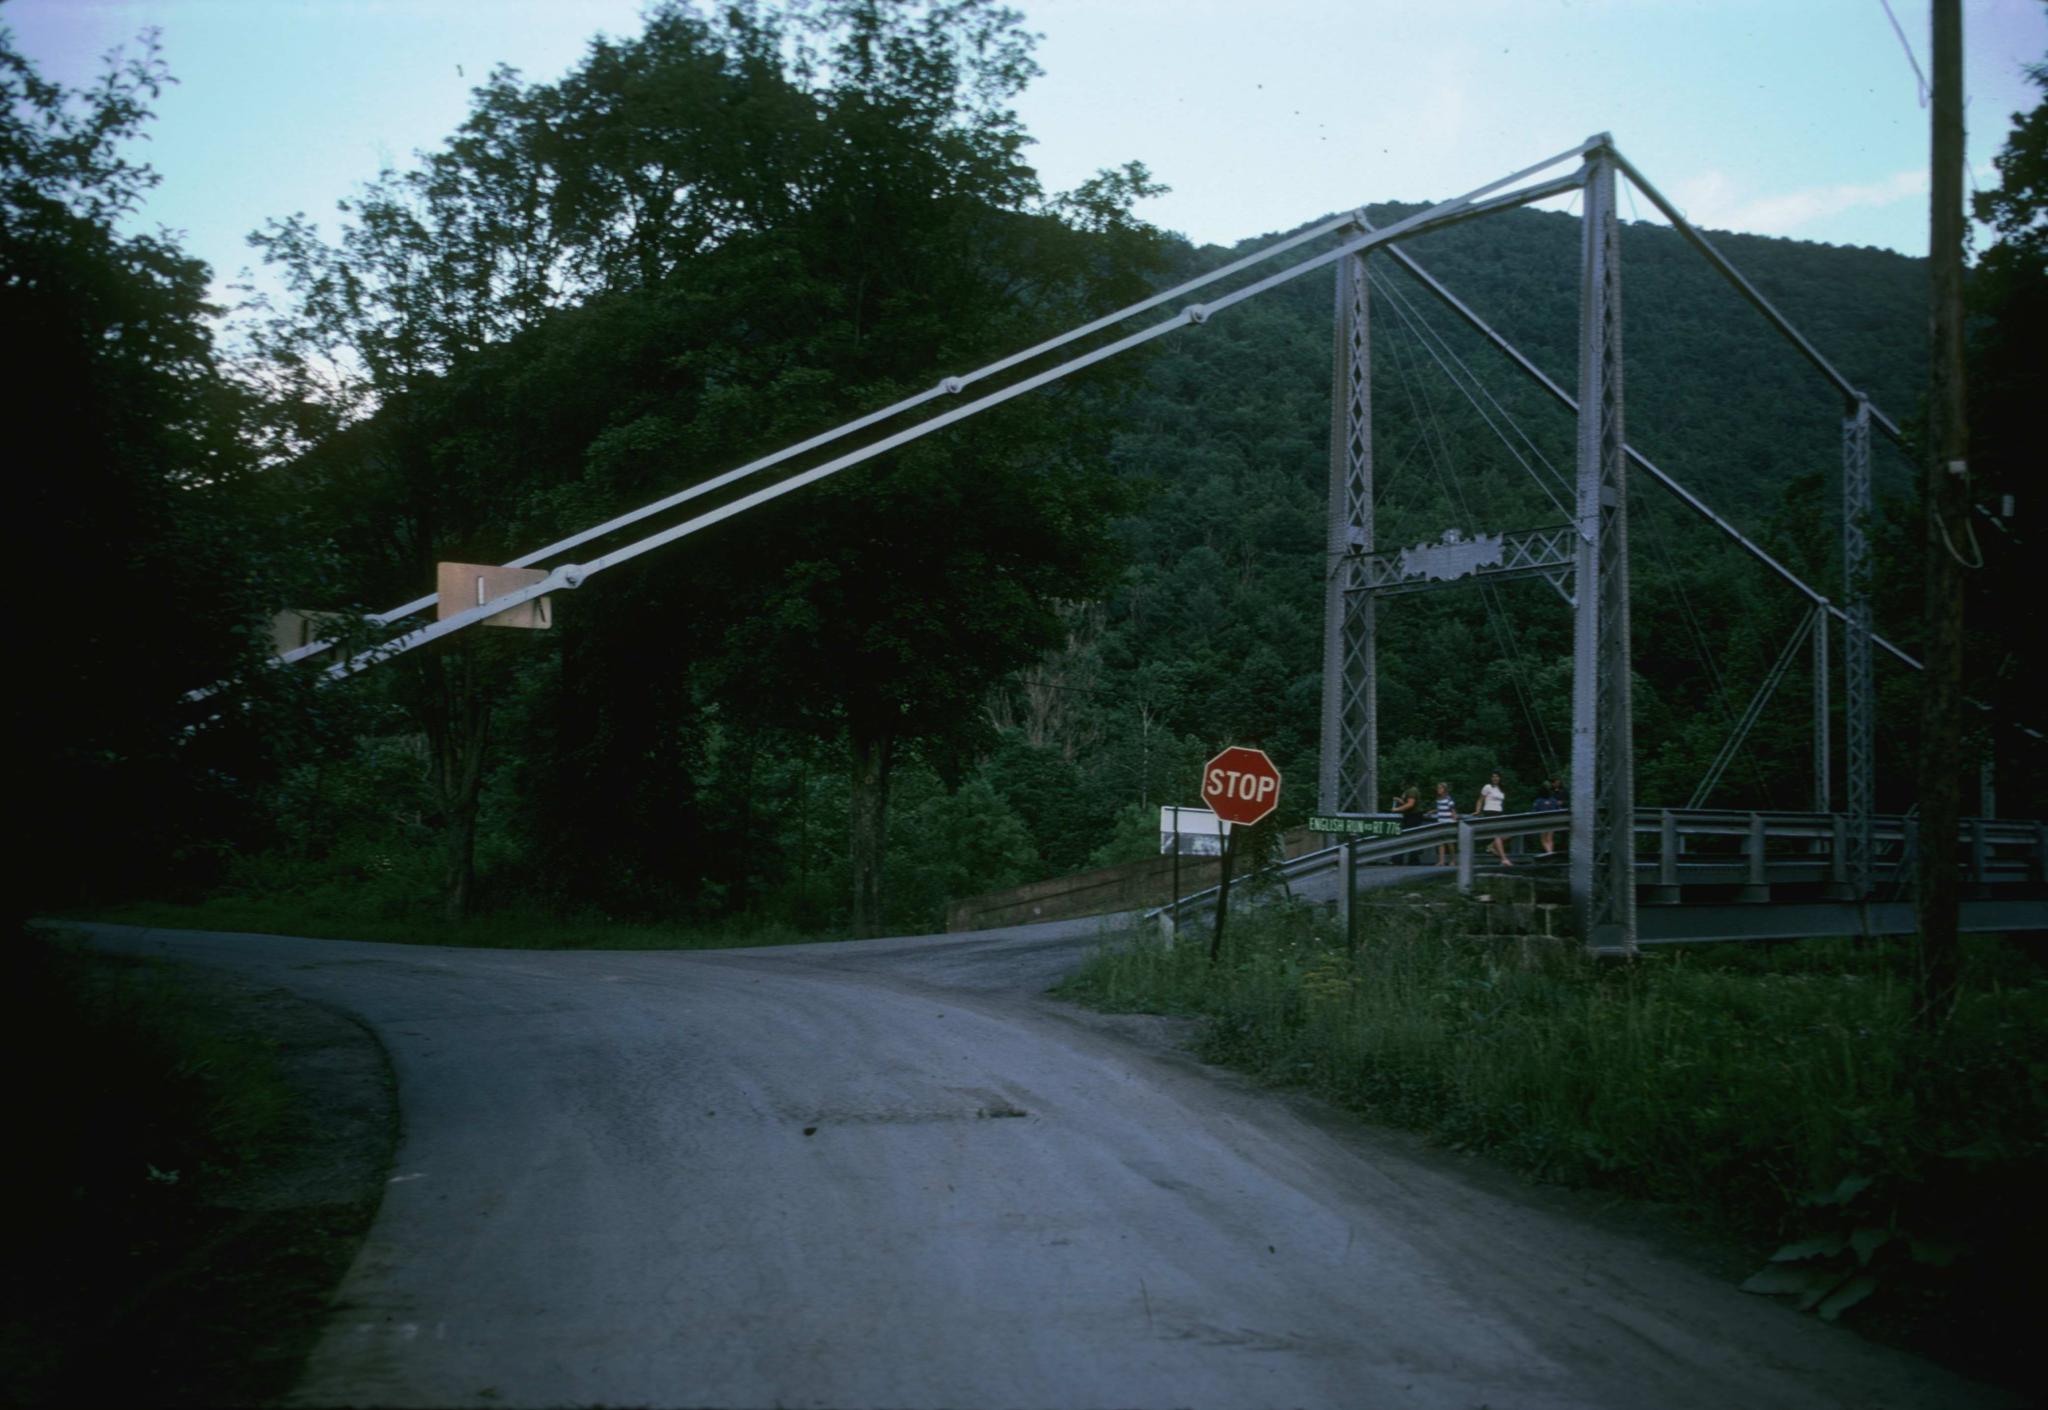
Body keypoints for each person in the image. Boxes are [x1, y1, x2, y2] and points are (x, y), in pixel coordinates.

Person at [1474, 770, 1512, 867]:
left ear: (1500, 778)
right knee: (1497, 835)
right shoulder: (1488, 787)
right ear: (1491, 778)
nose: (1495, 778)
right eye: (1493, 776)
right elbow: (1480, 800)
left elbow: (1500, 802)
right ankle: (1504, 859)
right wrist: (1478, 811)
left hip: (1499, 812)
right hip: (1490, 812)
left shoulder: (1501, 789)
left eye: (1497, 776)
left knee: (1509, 834)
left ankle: (1491, 846)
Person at [1534, 777, 1564, 855]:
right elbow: (1558, 809)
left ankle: (1549, 852)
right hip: (1552, 821)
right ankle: (1550, 852)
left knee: (1543, 839)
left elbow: (1534, 812)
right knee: (1550, 838)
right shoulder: (1553, 800)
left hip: (1542, 822)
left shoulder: (1538, 801)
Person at [1431, 781, 1457, 865]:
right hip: (1440, 822)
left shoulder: (1448, 799)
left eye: (1440, 788)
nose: (1438, 790)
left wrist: (1454, 821)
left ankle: (1453, 860)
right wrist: (1433, 811)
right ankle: (1441, 861)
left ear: (1444, 789)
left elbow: (1453, 810)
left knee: (1449, 842)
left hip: (1448, 822)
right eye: (1438, 788)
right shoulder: (1438, 799)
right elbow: (1440, 809)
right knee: (1440, 842)